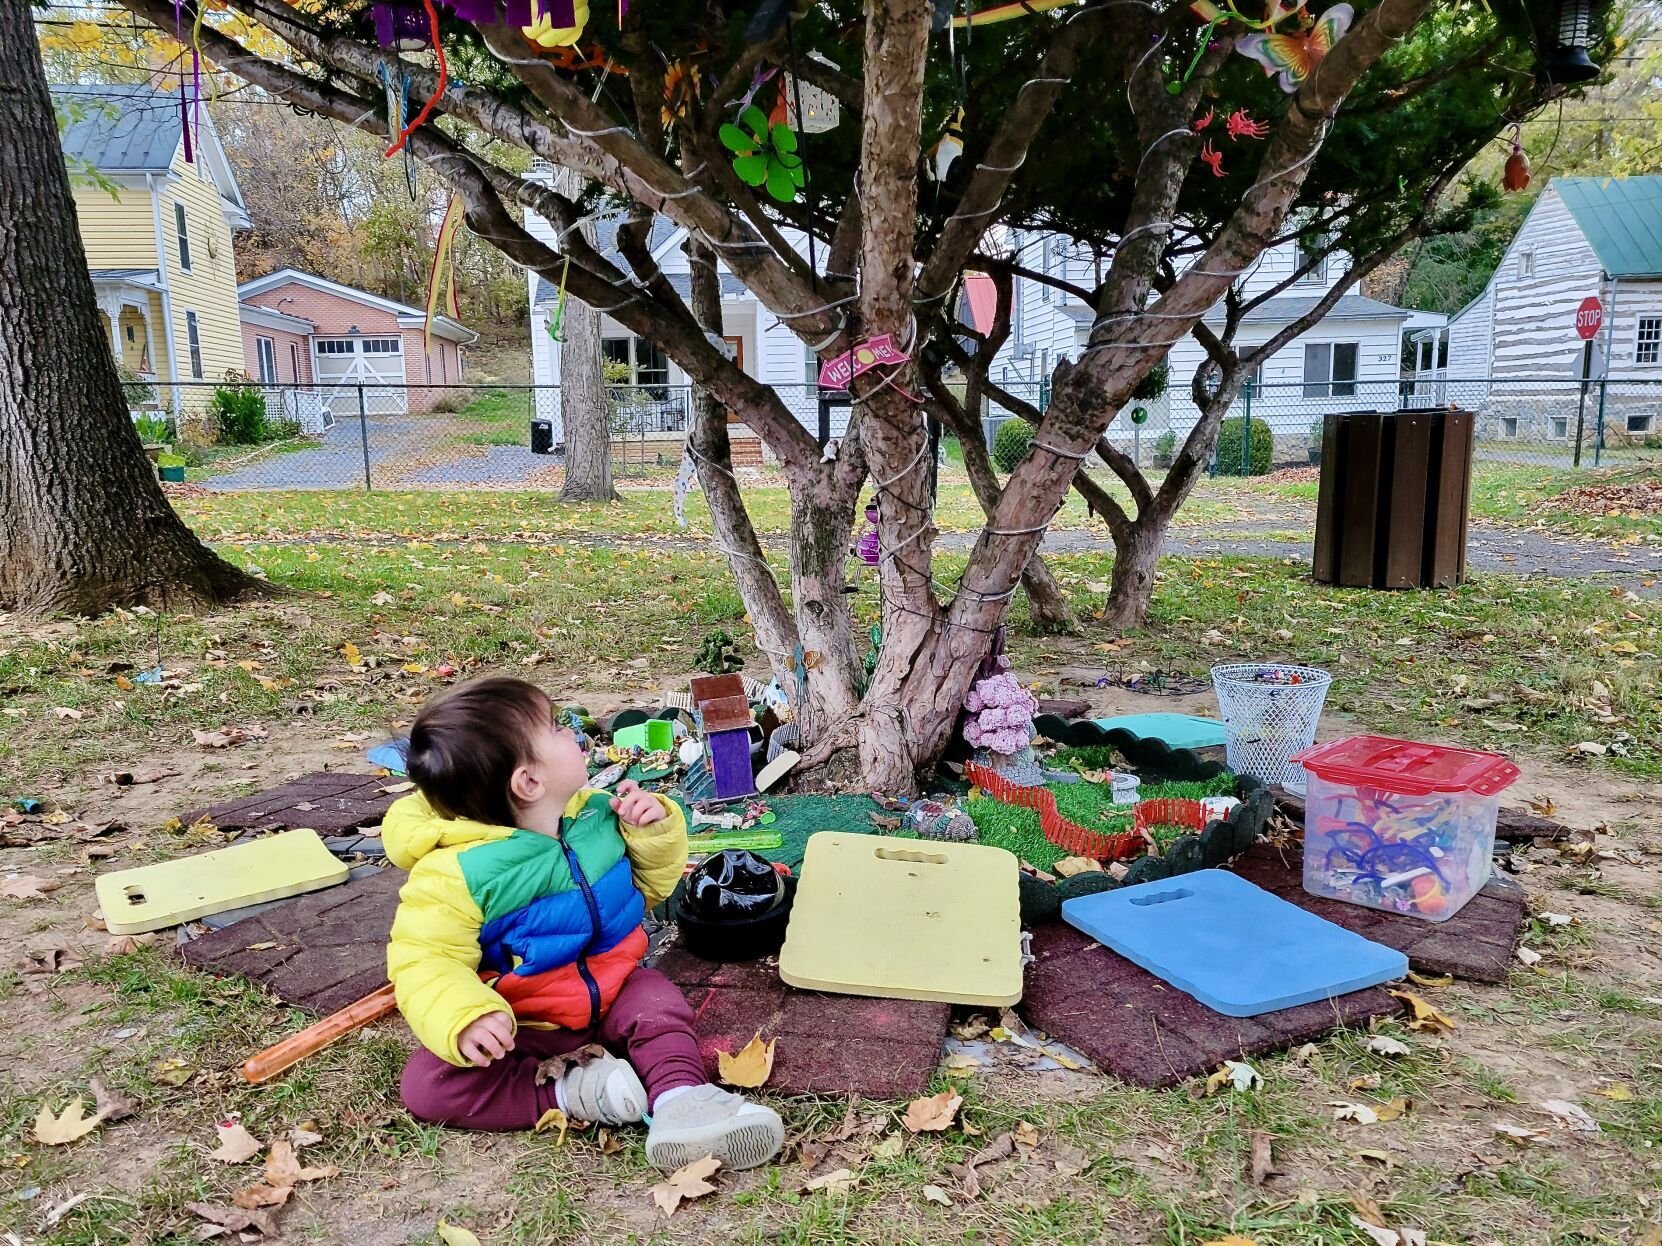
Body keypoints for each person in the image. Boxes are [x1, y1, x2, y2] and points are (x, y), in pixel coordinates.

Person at [383, 676, 784, 1171]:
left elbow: (649, 890)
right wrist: (465, 1016)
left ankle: (682, 1098)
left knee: (656, 1001)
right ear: (529, 782)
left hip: (613, 990)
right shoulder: (455, 873)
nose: (573, 731)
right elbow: (425, 959)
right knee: (428, 1083)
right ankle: (574, 1092)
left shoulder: (595, 818)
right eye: (555, 727)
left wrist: (652, 829)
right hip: (526, 1019)